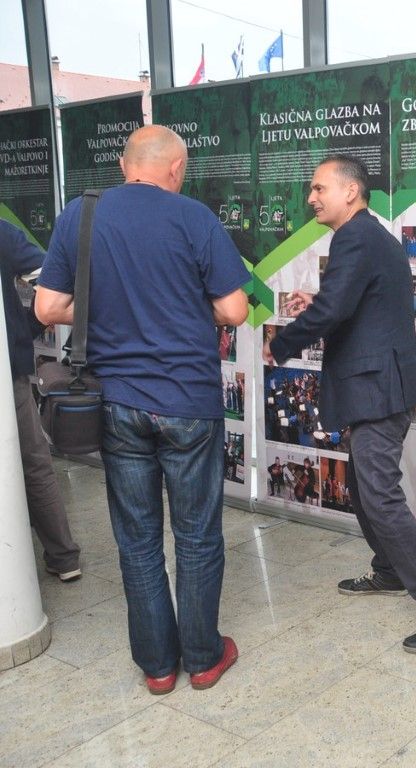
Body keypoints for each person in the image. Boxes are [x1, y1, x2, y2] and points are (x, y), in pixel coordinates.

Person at [36, 125, 250, 693]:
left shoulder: (80, 216)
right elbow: (234, 310)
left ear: (124, 166)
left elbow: (48, 307)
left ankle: (157, 667)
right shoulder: (193, 217)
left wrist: (106, 307)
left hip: (117, 402)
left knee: (136, 539)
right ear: (176, 169)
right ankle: (202, 658)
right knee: (197, 535)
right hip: (189, 402)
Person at [262, 154, 416, 654]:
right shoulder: (370, 235)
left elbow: (337, 309)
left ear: (350, 192)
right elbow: (359, 304)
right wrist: (316, 303)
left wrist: (281, 344)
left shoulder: (354, 237)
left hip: (377, 388)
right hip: (377, 384)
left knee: (379, 496)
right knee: (361, 487)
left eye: (319, 189)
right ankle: (390, 569)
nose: (311, 198)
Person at [1, 221, 82, 583]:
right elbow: (46, 274)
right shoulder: (1, 232)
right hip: (6, 369)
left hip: (8, 367)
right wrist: (26, 326)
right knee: (33, 462)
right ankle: (64, 557)